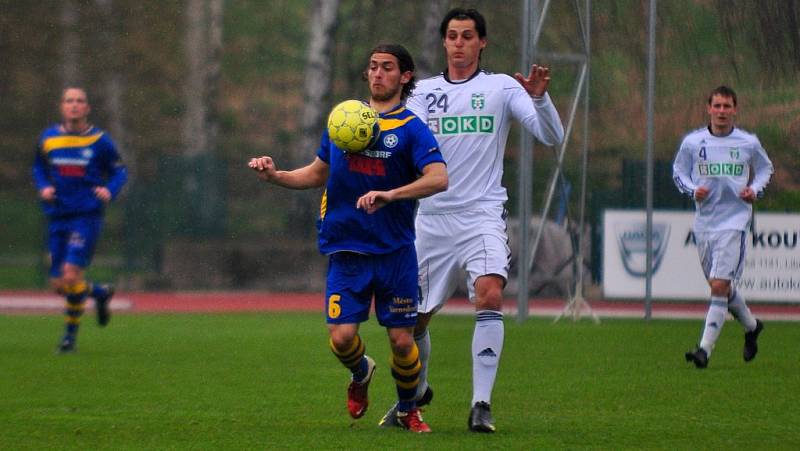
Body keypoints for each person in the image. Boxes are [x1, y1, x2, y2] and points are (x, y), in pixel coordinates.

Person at [379, 8, 565, 432]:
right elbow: (411, 143)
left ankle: (481, 405)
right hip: (432, 219)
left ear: (482, 43)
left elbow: (551, 136)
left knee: (490, 294)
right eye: (452, 36)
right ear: (444, 43)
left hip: (481, 215)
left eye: (467, 36)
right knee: (412, 321)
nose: (459, 43)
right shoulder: (424, 93)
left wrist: (539, 97)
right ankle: (414, 397)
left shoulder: (501, 87)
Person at [248, 44, 447, 433]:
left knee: (403, 342)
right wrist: (275, 175)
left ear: (404, 77)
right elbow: (317, 173)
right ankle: (361, 373)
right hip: (346, 249)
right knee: (341, 339)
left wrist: (391, 194)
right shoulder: (344, 119)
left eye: (387, 68)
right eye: (372, 66)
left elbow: (439, 178)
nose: (377, 74)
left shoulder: (411, 129)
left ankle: (408, 409)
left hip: (395, 251)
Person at [673, 85, 773, 369]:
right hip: (705, 222)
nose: (721, 111)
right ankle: (752, 327)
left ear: (735, 110)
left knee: (719, 286)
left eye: (727, 106)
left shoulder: (748, 142)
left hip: (735, 220)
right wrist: (693, 190)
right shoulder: (693, 143)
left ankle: (704, 349)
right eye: (717, 106)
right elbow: (678, 172)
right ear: (708, 108)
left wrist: (754, 189)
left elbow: (766, 169)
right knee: (721, 289)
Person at [33, 87, 128, 353]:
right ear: (62, 107)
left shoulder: (100, 141)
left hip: (86, 216)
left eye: (79, 101)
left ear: (87, 108)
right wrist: (43, 186)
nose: (74, 105)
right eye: (69, 101)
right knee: (59, 284)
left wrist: (109, 190)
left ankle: (68, 340)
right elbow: (39, 166)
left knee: (71, 273)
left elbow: (120, 171)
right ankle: (99, 293)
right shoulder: (48, 138)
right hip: (58, 215)